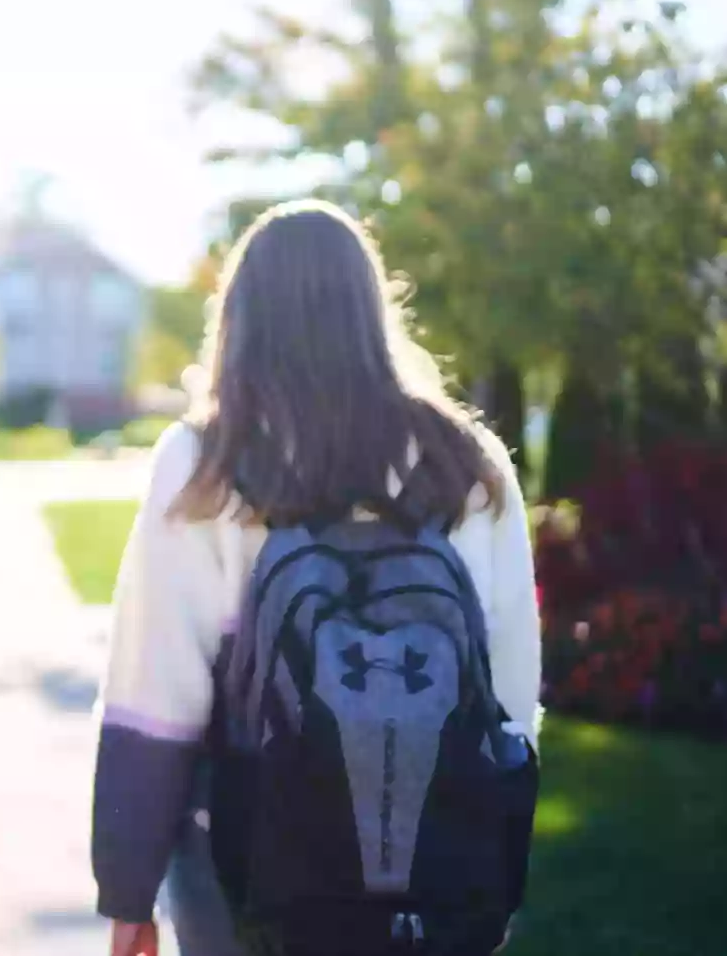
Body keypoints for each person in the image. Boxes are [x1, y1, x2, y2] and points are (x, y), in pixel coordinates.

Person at [91, 201, 541, 956]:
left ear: (240, 317)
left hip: (244, 874)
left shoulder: (205, 464)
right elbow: (511, 696)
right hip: (434, 878)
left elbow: (155, 698)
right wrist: (490, 863)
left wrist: (127, 889)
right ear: (371, 309)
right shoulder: (470, 464)